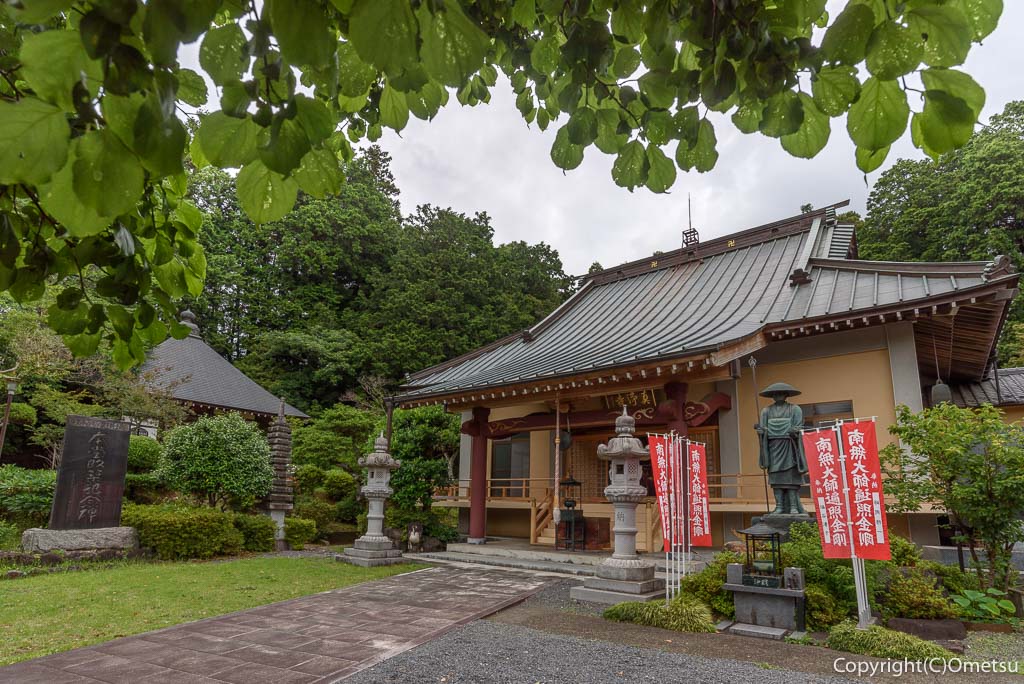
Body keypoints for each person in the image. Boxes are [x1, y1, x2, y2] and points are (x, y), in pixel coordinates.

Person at [754, 382, 808, 515]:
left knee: (790, 478)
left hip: (789, 446)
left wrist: (793, 430)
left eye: (781, 393)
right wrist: (761, 432)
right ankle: (779, 506)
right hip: (773, 448)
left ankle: (794, 507)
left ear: (786, 395)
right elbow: (762, 428)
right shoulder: (766, 411)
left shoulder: (795, 409)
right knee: (776, 478)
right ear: (772, 396)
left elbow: (799, 427)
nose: (778, 396)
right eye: (775, 394)